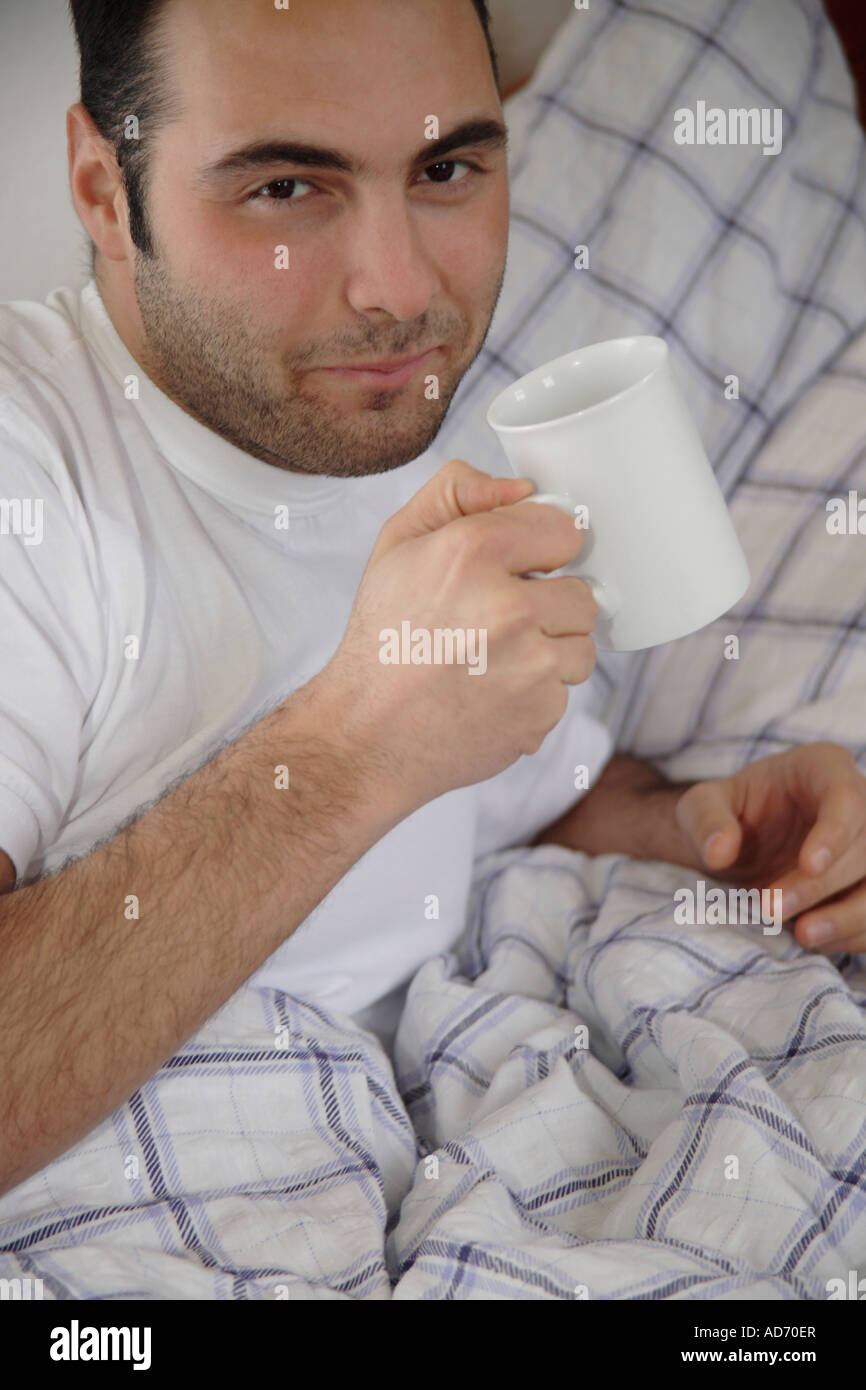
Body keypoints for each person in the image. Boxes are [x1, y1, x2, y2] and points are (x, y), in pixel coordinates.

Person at [0, 0, 863, 1204]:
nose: (399, 292)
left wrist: (707, 833)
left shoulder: (375, 425)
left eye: (446, 167)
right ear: (103, 187)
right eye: (286, 189)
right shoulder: (27, 466)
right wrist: (353, 750)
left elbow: (510, 804)